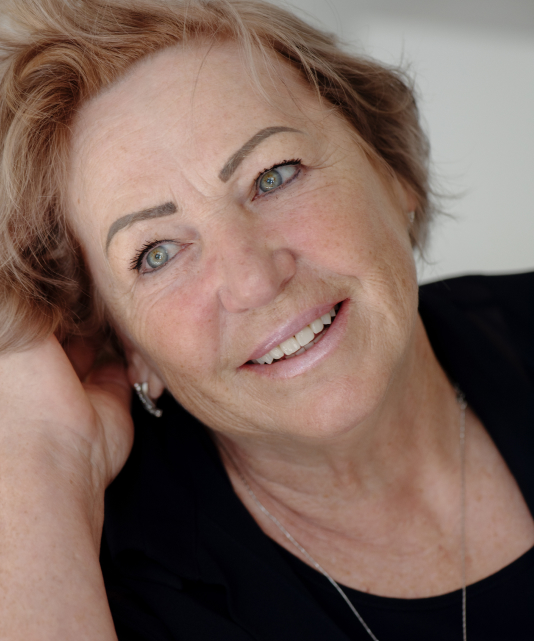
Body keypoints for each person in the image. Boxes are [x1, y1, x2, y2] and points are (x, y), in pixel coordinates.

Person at [0, 0, 533, 639]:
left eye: (274, 175)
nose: (254, 280)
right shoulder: (106, 590)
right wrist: (43, 466)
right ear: (126, 346)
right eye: (158, 253)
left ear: (389, 171)